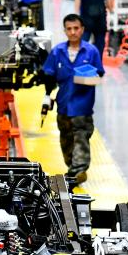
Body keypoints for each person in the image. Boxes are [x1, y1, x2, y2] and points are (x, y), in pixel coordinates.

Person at [40, 14, 104, 183]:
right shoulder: (58, 51)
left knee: (81, 137)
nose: (73, 32)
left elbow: (99, 73)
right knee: (66, 139)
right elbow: (49, 75)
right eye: (69, 29)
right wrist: (47, 96)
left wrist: (89, 78)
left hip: (83, 105)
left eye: (76, 28)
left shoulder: (91, 51)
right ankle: (72, 167)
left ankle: (79, 169)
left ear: (82, 30)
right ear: (65, 31)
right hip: (63, 104)